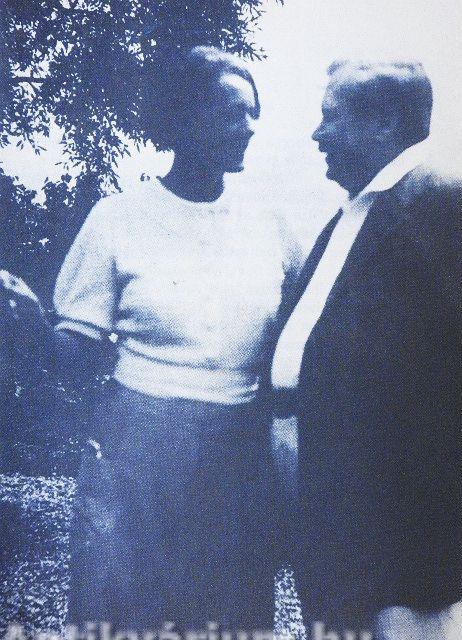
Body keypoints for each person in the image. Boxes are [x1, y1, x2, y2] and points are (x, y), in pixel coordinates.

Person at [1, 46, 301, 632]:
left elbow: (296, 346)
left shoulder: (272, 224)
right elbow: (77, 354)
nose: (248, 127)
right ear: (182, 119)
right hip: (137, 454)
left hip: (238, 457)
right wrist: (32, 325)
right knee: (126, 617)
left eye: (253, 113)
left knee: (229, 618)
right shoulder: (118, 217)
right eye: (230, 113)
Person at [271, 61, 462, 638]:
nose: (317, 134)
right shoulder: (356, 210)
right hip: (337, 506)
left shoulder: (443, 202)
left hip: (404, 527)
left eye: (330, 118)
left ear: (383, 123)